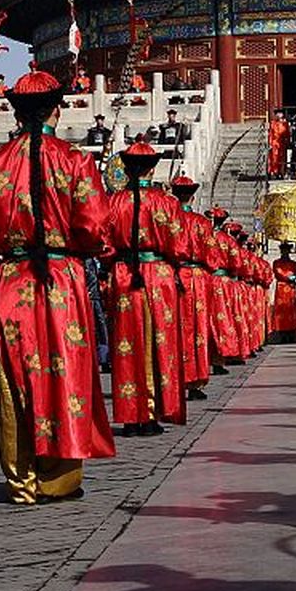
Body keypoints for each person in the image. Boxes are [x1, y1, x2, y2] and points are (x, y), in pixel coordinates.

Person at [0, 68, 115, 503]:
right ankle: (59, 479)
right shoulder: (77, 160)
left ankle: (21, 480)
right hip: (62, 279)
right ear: (57, 110)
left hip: (12, 279)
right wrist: (83, 250)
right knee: (65, 372)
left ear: (15, 111)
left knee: (15, 380)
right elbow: (93, 225)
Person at [104, 141, 187, 435]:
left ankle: (131, 414)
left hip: (125, 275)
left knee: (127, 345)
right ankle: (153, 412)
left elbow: (103, 243)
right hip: (159, 276)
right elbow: (180, 246)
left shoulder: (112, 202)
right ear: (152, 168)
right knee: (159, 343)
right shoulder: (168, 203)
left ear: (126, 168)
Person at [170, 176, 216, 394]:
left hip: (173, 274)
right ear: (193, 196)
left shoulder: (168, 218)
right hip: (197, 277)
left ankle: (173, 378)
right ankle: (196, 379)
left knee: (174, 327)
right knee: (197, 327)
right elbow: (213, 258)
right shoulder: (202, 223)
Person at [272, 241, 296, 343]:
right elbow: (278, 272)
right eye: (283, 250)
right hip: (282, 288)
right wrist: (288, 277)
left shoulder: (294, 264)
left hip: (291, 289)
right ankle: (282, 334)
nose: (285, 252)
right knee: (282, 311)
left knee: (292, 310)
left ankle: (291, 332)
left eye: (287, 250)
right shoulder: (277, 263)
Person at [267, 109, 289, 177]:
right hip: (275, 142)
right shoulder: (273, 123)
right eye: (278, 114)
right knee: (274, 157)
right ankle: (274, 172)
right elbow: (271, 134)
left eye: (280, 114)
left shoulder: (285, 123)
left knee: (282, 157)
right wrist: (270, 143)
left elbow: (287, 133)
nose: (279, 115)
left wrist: (287, 142)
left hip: (282, 142)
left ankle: (282, 172)